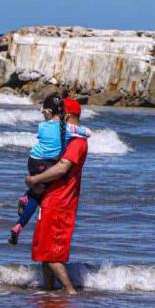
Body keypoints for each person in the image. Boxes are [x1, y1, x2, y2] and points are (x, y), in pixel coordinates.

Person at [26, 97, 89, 295]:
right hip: (52, 199)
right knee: (44, 250)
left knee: (52, 254)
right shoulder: (69, 138)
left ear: (67, 116)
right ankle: (48, 291)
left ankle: (70, 291)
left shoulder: (77, 142)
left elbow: (62, 168)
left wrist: (35, 180)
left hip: (60, 201)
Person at [9, 94, 91, 244]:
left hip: (33, 160)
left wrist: (34, 179)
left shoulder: (44, 127)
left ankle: (20, 220)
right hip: (49, 172)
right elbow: (61, 168)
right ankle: (21, 219)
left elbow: (59, 163)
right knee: (37, 194)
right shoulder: (70, 132)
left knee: (36, 192)